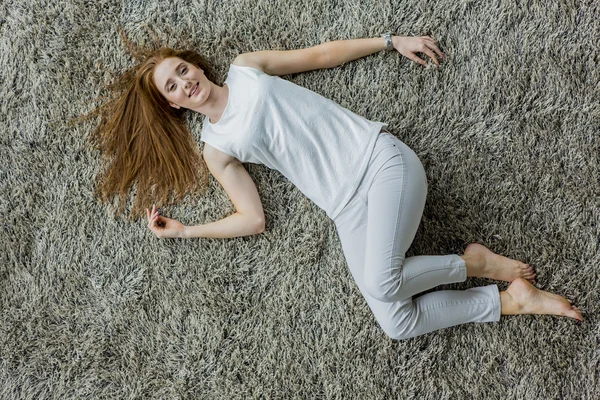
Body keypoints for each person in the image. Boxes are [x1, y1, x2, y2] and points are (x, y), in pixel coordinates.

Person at [93, 31, 583, 340]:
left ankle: (474, 262)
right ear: (174, 106)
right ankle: (510, 300)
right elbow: (253, 218)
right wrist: (184, 232)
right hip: (345, 209)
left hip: (379, 161)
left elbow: (321, 55)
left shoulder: (246, 68)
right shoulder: (216, 148)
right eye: (172, 87)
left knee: (380, 282)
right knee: (396, 323)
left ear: (195, 64)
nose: (184, 83)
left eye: (182, 70)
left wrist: (390, 42)